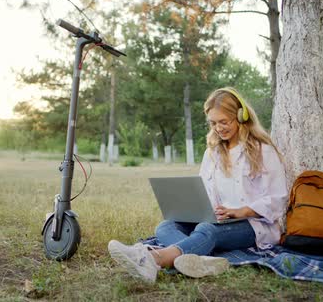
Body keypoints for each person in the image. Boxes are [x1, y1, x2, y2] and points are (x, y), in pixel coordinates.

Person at [108, 87, 288, 283]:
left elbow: (278, 199)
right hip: (217, 220)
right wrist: (199, 210)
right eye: (213, 123)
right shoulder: (213, 153)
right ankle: (201, 260)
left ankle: (152, 259)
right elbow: (204, 191)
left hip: (253, 225)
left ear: (240, 117)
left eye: (223, 122)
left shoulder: (262, 150)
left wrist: (242, 211)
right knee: (165, 226)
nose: (218, 128)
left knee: (207, 230)